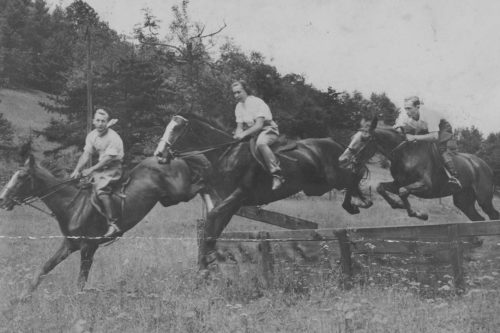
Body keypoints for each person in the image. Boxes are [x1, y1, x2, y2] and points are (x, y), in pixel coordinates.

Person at [70, 109, 124, 237]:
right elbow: (86, 154)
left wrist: (91, 169)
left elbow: (108, 159)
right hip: (101, 168)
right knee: (84, 186)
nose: (100, 124)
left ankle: (113, 224)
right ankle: (89, 220)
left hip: (113, 168)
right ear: (93, 121)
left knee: (101, 189)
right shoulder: (92, 135)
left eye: (103, 121)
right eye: (98, 120)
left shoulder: (113, 137)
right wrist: (77, 170)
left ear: (107, 122)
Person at [394, 96, 462, 192]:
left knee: (439, 148)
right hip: (425, 129)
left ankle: (453, 176)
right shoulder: (408, 118)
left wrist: (414, 137)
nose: (407, 111)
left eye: (409, 108)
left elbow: (434, 136)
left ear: (417, 107)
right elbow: (404, 129)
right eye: (405, 109)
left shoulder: (429, 115)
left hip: (442, 128)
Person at [231, 80, 284, 190]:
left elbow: (259, 125)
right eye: (234, 93)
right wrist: (237, 135)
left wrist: (244, 134)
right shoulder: (238, 107)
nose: (236, 95)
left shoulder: (257, 102)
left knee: (261, 143)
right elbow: (239, 127)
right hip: (254, 133)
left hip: (268, 130)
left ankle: (277, 174)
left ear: (246, 90)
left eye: (238, 92)